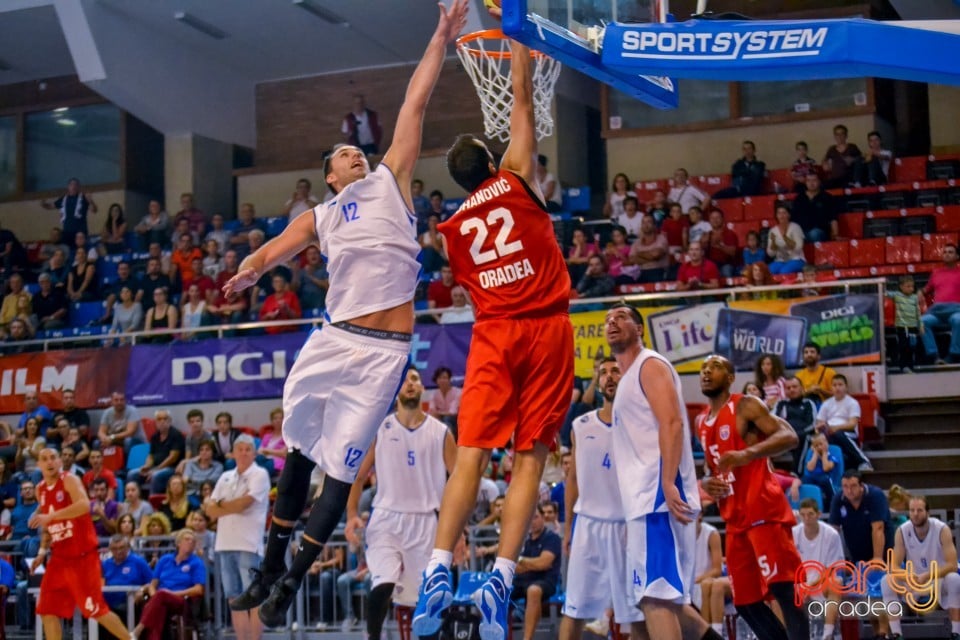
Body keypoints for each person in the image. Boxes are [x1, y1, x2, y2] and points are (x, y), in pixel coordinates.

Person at [225, 2, 469, 629]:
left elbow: (414, 103)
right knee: (300, 453)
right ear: (329, 177)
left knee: (340, 469)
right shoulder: (322, 217)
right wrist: (248, 270)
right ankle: (268, 567)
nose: (355, 155)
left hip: (382, 354)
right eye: (343, 155)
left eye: (356, 150)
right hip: (331, 341)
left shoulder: (393, 179)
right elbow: (272, 250)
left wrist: (441, 33)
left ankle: (289, 584)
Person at [412, 21, 575, 640]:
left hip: (492, 332)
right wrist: (518, 41)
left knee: (471, 455)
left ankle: (436, 566)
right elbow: (524, 102)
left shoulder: (450, 231)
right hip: (545, 329)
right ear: (491, 158)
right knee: (529, 456)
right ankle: (501, 579)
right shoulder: (516, 179)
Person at [604, 304, 714, 640]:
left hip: (655, 497)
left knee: (656, 598)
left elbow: (672, 422)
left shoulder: (648, 365)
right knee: (665, 601)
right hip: (643, 503)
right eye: (608, 319)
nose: (613, 322)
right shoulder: (627, 379)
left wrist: (668, 481)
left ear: (640, 328)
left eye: (622, 317)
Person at [697, 354, 809, 640]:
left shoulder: (745, 405)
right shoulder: (701, 421)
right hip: (735, 519)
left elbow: (790, 435)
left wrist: (748, 453)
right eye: (703, 368)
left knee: (786, 589)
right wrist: (707, 483)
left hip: (762, 509)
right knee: (745, 602)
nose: (707, 371)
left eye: (715, 367)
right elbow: (712, 467)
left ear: (731, 377)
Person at [344, 368, 456, 640]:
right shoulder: (379, 429)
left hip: (427, 523)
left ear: (422, 390)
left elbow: (458, 485)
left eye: (415, 379)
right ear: (395, 391)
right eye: (404, 380)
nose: (409, 384)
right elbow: (357, 477)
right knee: (383, 583)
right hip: (385, 519)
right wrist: (351, 516)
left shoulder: (441, 432)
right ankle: (372, 637)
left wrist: (457, 531)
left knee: (424, 603)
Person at [559, 357, 644, 640]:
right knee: (574, 609)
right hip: (588, 526)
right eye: (603, 372)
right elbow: (573, 480)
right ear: (597, 381)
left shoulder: (641, 424)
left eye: (615, 371)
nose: (609, 376)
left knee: (637, 613)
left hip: (627, 527)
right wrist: (568, 526)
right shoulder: (581, 425)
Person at [28, 448, 131, 640]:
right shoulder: (39, 489)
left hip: (83, 556)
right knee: (46, 610)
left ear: (59, 462)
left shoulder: (69, 480)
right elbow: (48, 526)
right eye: (44, 459)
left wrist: (51, 515)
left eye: (53, 457)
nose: (49, 462)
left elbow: (84, 505)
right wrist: (42, 552)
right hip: (59, 559)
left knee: (95, 610)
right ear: (39, 465)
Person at [203, 435, 271, 640]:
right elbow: (209, 511)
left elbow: (245, 504)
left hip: (248, 544)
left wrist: (221, 506)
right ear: (232, 453)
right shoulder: (225, 476)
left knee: (253, 597)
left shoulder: (260, 474)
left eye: (247, 449)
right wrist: (224, 507)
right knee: (234, 598)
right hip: (224, 544)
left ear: (254, 453)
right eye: (239, 449)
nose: (243, 453)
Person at [879, 495, 960, 640]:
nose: (915, 514)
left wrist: (927, 576)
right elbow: (894, 566)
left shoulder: (942, 529)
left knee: (954, 579)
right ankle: (897, 634)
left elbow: (952, 565)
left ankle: (956, 633)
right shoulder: (902, 531)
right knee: (887, 581)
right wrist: (909, 578)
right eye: (912, 510)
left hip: (937, 578)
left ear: (928, 513)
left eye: (919, 510)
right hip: (914, 580)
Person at [133, 529, 206, 640]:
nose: (190, 542)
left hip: (181, 599)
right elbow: (153, 584)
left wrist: (172, 593)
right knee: (160, 608)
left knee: (161, 596)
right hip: (161, 598)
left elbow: (199, 589)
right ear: (178, 543)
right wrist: (155, 598)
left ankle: (138, 630)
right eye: (187, 539)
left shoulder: (196, 563)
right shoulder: (165, 559)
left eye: (193, 541)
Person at [792, 498, 844, 640]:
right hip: (799, 582)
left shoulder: (831, 535)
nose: (806, 519)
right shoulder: (793, 533)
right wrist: (800, 586)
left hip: (822, 582)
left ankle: (827, 634)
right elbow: (790, 566)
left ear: (818, 514)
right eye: (803, 515)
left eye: (810, 514)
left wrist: (810, 587)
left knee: (836, 583)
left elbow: (831, 569)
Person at [829, 470, 893, 565]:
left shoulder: (875, 495)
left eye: (853, 486)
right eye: (845, 486)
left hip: (884, 553)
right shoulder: (838, 499)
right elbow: (833, 531)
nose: (849, 490)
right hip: (857, 555)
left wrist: (877, 558)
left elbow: (878, 528)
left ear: (861, 486)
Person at [101, 534, 153, 629]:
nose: (119, 551)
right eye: (115, 548)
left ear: (128, 547)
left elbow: (152, 583)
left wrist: (142, 590)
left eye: (121, 548)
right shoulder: (105, 564)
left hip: (131, 604)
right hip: (108, 606)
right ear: (110, 549)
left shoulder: (139, 562)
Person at [129, 409, 186, 494]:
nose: (162, 421)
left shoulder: (176, 435)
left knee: (155, 476)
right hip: (155, 467)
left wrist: (156, 470)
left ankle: (153, 503)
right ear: (155, 422)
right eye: (159, 419)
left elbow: (173, 458)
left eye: (165, 419)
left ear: (170, 420)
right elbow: (151, 455)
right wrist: (147, 466)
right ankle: (135, 502)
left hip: (171, 469)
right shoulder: (155, 436)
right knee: (132, 474)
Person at [921, 243, 960, 364]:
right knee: (922, 322)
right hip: (937, 312)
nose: (947, 254)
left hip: (956, 310)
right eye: (945, 252)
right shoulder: (936, 273)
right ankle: (934, 356)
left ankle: (953, 354)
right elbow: (926, 289)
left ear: (957, 256)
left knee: (958, 320)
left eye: (950, 252)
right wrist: (919, 292)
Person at [41, 178, 98, 247]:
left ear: (78, 187)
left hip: (80, 232)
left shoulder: (83, 198)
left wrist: (91, 201)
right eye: (71, 184)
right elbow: (50, 206)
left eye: (76, 185)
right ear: (68, 187)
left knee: (81, 252)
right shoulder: (63, 199)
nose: (73, 186)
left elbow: (94, 210)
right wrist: (43, 204)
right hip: (67, 232)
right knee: (68, 253)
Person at [887, 274, 924, 371]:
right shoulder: (897, 296)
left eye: (912, 286)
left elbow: (918, 313)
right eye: (908, 286)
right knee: (904, 347)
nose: (911, 289)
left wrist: (921, 325)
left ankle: (911, 366)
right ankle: (903, 366)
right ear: (901, 286)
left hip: (913, 327)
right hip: (902, 327)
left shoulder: (914, 298)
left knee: (912, 347)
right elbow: (885, 293)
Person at [766, 205, 805, 275]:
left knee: (784, 271)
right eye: (779, 213)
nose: (781, 215)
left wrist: (785, 238)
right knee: (768, 272)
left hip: (796, 259)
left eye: (784, 213)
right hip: (780, 261)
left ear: (789, 215)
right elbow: (770, 254)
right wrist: (773, 245)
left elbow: (798, 248)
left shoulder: (795, 227)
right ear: (776, 216)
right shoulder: (773, 231)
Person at [822, 124, 861, 189]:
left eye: (842, 134)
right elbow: (825, 160)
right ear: (834, 136)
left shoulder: (852, 147)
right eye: (837, 134)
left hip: (848, 179)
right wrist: (824, 163)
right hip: (834, 180)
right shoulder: (832, 149)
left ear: (846, 136)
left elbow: (861, 159)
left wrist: (853, 159)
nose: (839, 136)